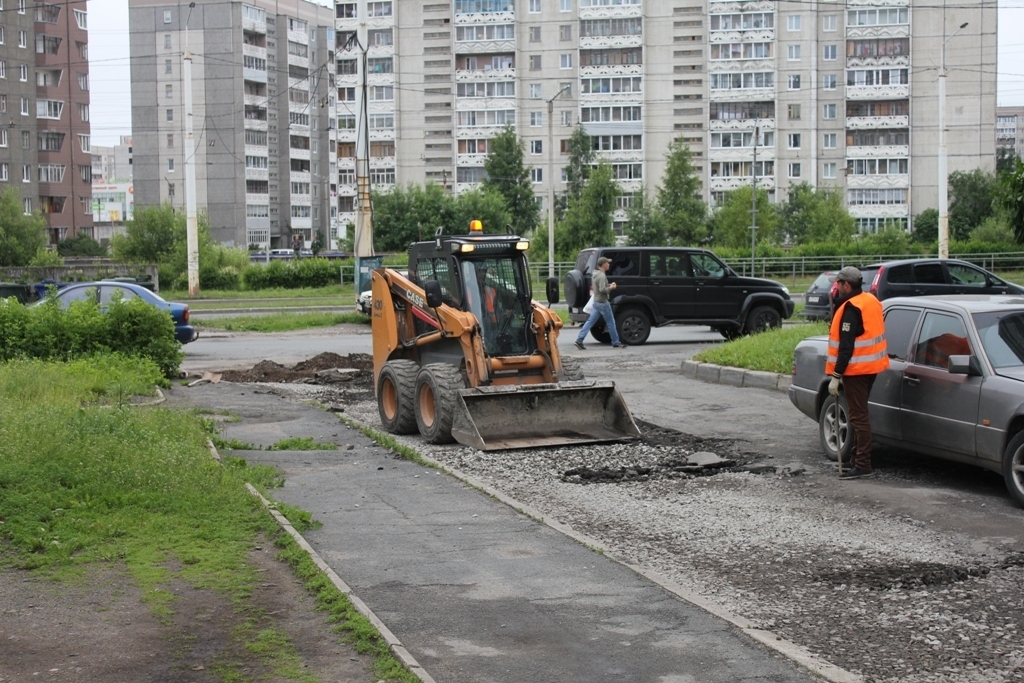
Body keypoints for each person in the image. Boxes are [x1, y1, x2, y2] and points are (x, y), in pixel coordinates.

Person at [826, 266, 889, 479]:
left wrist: (836, 376)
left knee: (859, 417)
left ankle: (862, 464)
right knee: (857, 413)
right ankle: (855, 460)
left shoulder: (851, 308)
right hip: (871, 368)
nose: (836, 287)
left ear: (847, 285)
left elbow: (846, 347)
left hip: (856, 370)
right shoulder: (870, 300)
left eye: (839, 283)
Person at [575, 257, 626, 350]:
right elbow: (602, 289)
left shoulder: (595, 274)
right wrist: (611, 288)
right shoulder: (602, 276)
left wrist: (608, 285)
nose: (609, 264)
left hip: (596, 302)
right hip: (603, 302)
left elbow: (599, 287)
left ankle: (579, 340)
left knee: (590, 322)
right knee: (611, 322)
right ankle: (616, 342)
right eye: (607, 263)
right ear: (603, 265)